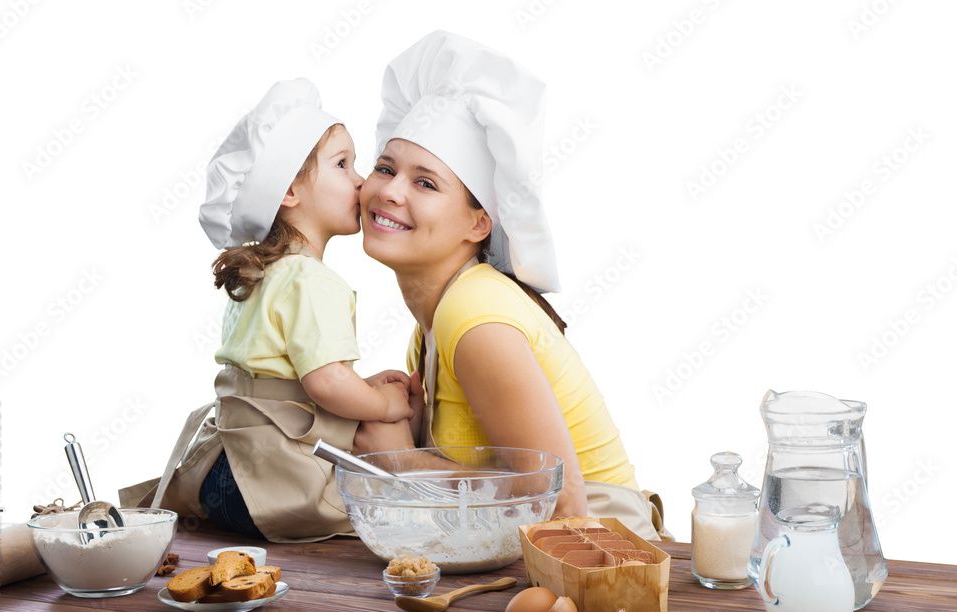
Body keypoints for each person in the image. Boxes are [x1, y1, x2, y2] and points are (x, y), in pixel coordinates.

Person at [352, 31, 670, 541]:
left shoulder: (476, 316)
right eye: (384, 168)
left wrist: (404, 462)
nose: (388, 190)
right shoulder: (434, 320)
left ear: (479, 224)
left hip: (602, 555)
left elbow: (560, 501)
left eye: (425, 182)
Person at [122, 78, 412, 541]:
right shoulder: (312, 278)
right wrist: (382, 402)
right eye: (342, 164)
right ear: (288, 192)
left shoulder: (262, 275)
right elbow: (326, 381)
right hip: (273, 488)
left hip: (221, 480)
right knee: (395, 461)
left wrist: (362, 383)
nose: (360, 180)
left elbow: (287, 380)